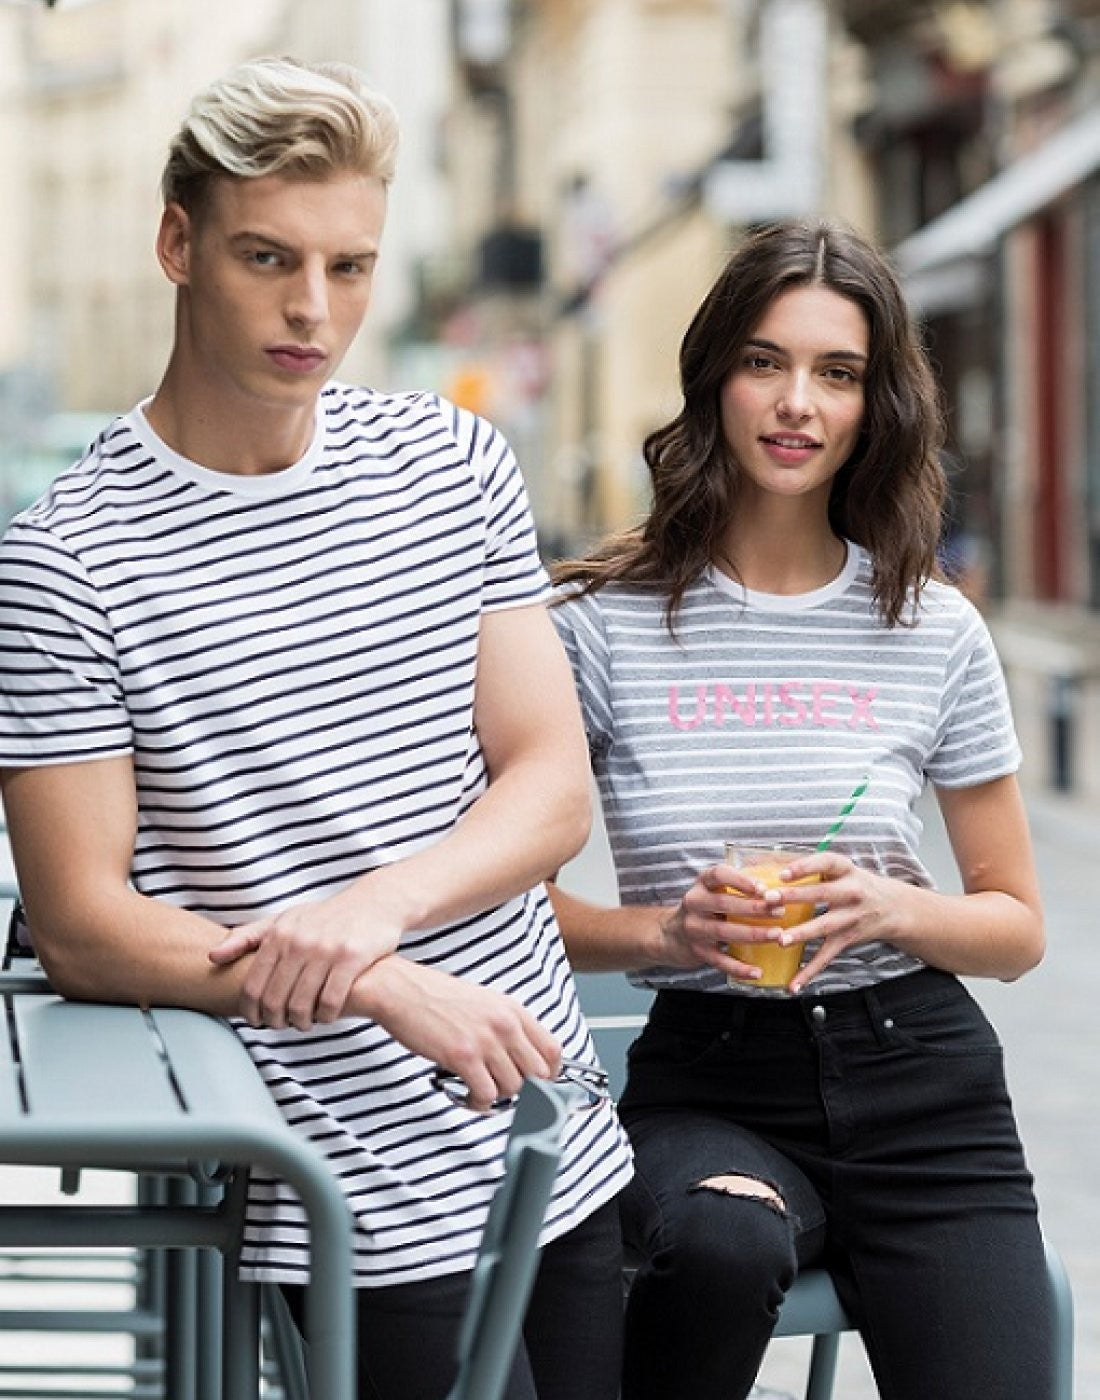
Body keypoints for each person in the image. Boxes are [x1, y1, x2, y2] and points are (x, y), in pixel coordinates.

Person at [0, 57, 631, 1400]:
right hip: (326, 1180)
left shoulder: (452, 465)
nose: (312, 309)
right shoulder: (67, 562)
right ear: (178, 243)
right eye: (267, 258)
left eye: (350, 268)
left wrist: (374, 913)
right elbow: (83, 924)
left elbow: (550, 787)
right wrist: (380, 979)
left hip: (546, 1126)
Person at [549, 219, 1055, 1400]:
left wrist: (888, 906)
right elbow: (511, 899)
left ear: (876, 405)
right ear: (714, 374)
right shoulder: (596, 626)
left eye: (837, 373)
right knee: (720, 1249)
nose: (796, 403)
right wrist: (666, 933)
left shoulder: (931, 625)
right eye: (764, 361)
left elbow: (1015, 924)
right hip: (714, 1084)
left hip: (925, 1090)